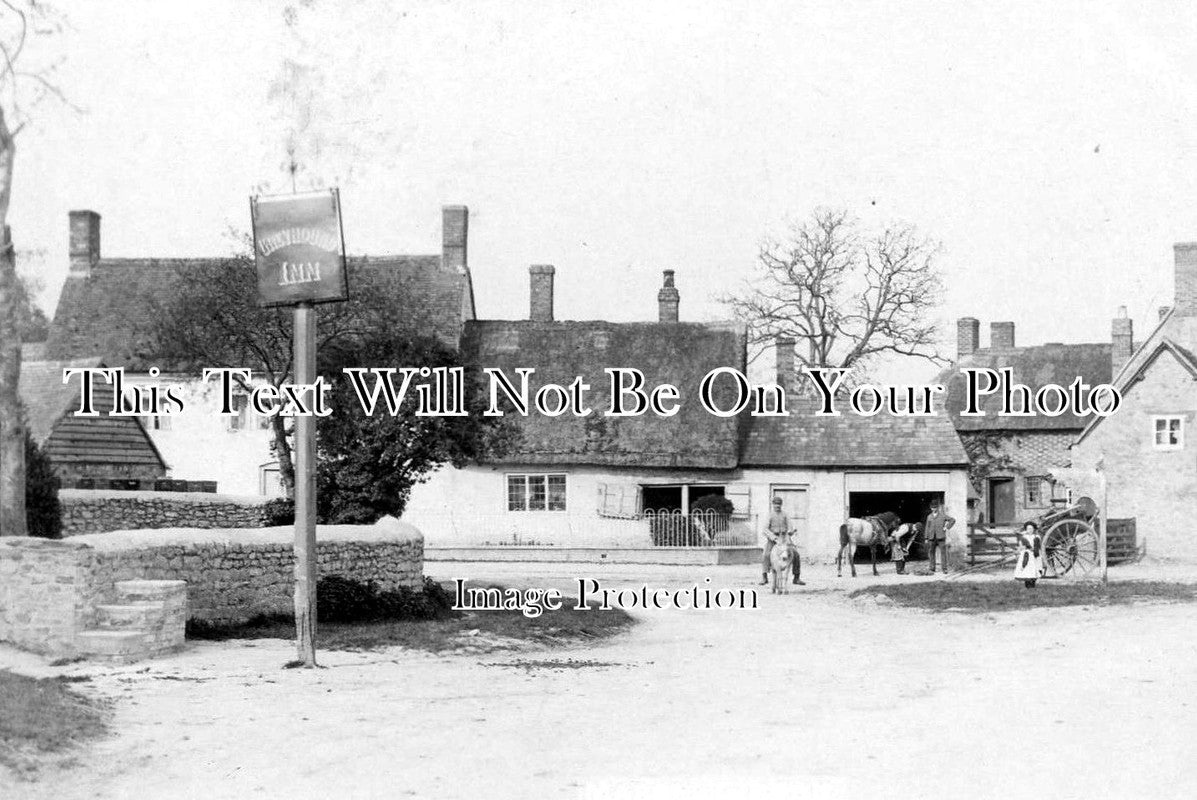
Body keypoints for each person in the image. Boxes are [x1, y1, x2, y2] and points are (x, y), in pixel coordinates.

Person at [760, 496, 804, 586]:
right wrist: (773, 538)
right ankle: (764, 577)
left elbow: (790, 525)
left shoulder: (785, 514)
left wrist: (790, 532)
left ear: (781, 505)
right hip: (774, 539)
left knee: (795, 554)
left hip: (784, 537)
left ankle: (796, 577)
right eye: (776, 504)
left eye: (779, 504)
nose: (777, 506)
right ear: (773, 505)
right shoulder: (770, 515)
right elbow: (765, 529)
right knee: (766, 554)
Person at [923, 499, 955, 574]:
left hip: (941, 537)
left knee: (943, 553)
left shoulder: (942, 515)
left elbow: (952, 520)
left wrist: (946, 527)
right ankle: (932, 568)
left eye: (935, 507)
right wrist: (926, 538)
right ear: (930, 508)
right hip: (931, 537)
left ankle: (944, 569)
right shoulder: (929, 517)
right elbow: (927, 527)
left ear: (937, 508)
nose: (934, 509)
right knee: (931, 553)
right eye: (932, 508)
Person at [1014, 520, 1044, 588]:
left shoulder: (1036, 537)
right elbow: (1021, 546)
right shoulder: (1024, 537)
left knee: (1035, 569)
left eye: (1031, 529)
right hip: (1026, 554)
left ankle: (1033, 584)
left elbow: (1038, 546)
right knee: (1026, 569)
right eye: (1028, 529)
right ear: (1026, 530)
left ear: (1033, 529)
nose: (1029, 530)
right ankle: (1027, 585)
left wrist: (1035, 550)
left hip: (1034, 555)